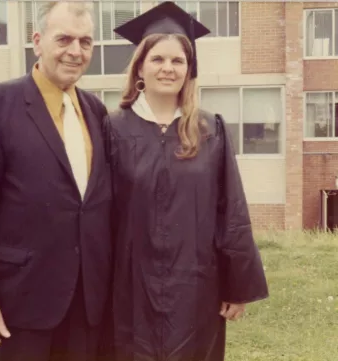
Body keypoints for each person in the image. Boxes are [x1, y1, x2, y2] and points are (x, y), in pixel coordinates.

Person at [102, 2, 269, 361]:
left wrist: (236, 284)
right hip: (129, 288)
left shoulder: (210, 130)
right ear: (140, 68)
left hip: (196, 286)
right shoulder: (113, 129)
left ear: (189, 69)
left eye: (178, 60)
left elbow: (232, 212)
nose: (168, 68)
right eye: (158, 59)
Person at [0, 2, 113, 361]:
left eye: (86, 42)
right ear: (37, 41)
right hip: (17, 307)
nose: (75, 51)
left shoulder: (96, 111)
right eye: (64, 39)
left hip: (85, 308)